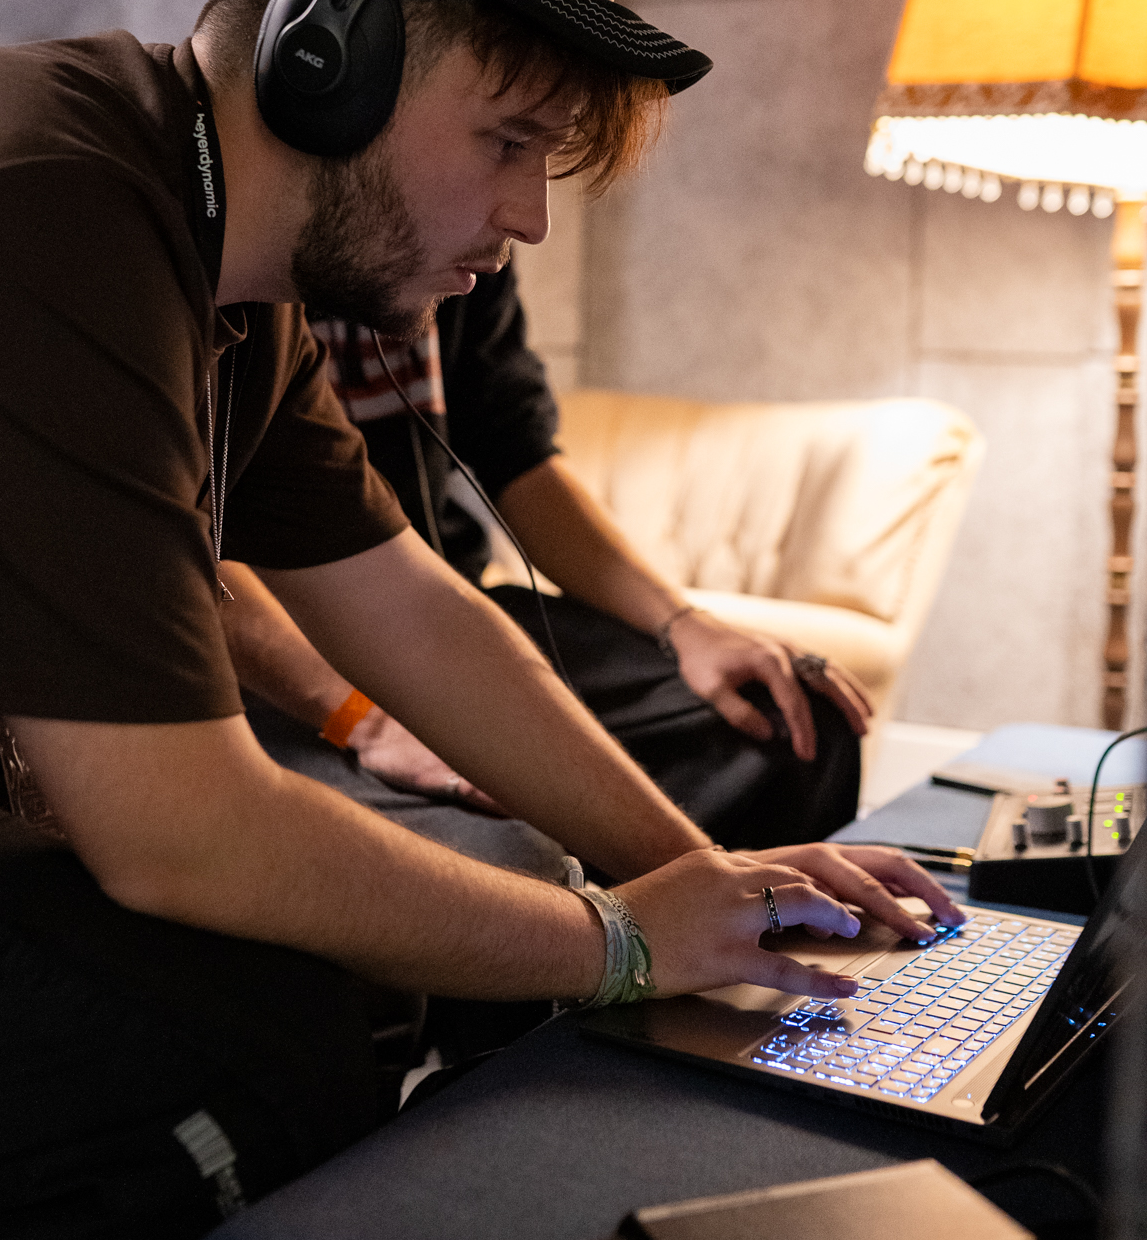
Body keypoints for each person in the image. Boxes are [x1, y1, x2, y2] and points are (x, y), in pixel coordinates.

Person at [0, 0, 960, 1240]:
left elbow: (408, 598)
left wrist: (697, 877)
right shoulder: (48, 205)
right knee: (227, 1069)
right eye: (506, 140)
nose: (528, 221)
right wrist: (613, 948)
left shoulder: (229, 281)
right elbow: (171, 828)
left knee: (285, 1015)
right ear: (323, 57)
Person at [238, 264, 869, 866]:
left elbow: (520, 459)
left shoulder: (469, 244)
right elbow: (196, 560)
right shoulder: (237, 288)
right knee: (506, 856)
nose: (532, 220)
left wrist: (683, 622)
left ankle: (749, 958)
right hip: (271, 661)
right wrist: (364, 721)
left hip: (439, 613)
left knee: (796, 720)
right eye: (506, 146)